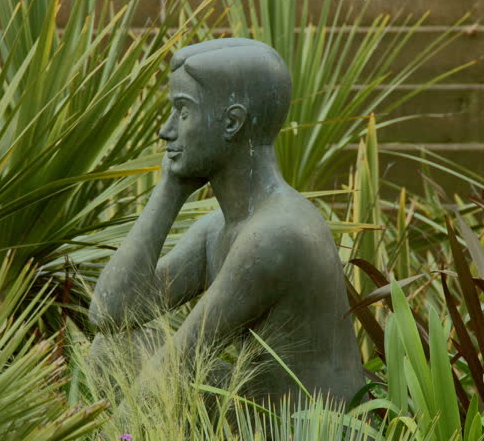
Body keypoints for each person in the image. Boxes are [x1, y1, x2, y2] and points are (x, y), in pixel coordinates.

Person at [88, 38, 362, 408]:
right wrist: (169, 191)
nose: (166, 131)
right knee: (111, 351)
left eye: (182, 112)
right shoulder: (218, 228)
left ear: (231, 122)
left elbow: (174, 368)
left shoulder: (277, 235)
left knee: (146, 374)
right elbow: (109, 314)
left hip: (299, 430)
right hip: (256, 412)